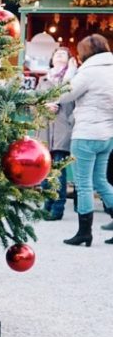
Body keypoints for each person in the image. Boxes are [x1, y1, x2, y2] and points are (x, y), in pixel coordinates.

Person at [48, 34, 113, 247]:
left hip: (86, 134)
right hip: (107, 135)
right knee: (101, 181)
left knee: (84, 184)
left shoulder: (88, 72)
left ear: (85, 52)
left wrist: (73, 72)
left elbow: (65, 94)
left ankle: (84, 232)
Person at [37, 47, 76, 220]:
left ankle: (58, 208)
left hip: (62, 130)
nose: (59, 55)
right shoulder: (44, 79)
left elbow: (76, 104)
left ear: (69, 59)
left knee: (58, 171)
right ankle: (47, 204)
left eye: (63, 54)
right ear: (51, 59)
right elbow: (33, 103)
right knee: (45, 170)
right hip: (45, 130)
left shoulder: (72, 79)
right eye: (56, 53)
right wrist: (43, 106)